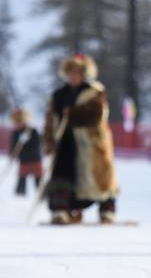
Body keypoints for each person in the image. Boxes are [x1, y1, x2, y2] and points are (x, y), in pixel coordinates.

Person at [43, 54, 118, 224]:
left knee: (100, 177)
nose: (73, 75)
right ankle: (61, 210)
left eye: (77, 72)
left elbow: (97, 115)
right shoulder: (58, 94)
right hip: (65, 142)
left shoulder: (94, 92)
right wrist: (48, 139)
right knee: (63, 175)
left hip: (90, 143)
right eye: (71, 71)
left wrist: (74, 114)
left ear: (84, 73)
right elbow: (50, 119)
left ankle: (107, 210)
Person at [10, 108, 43, 196]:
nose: (18, 124)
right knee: (21, 178)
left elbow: (37, 144)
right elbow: (13, 146)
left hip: (34, 158)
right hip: (23, 160)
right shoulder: (15, 133)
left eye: (20, 121)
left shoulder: (32, 131)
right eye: (17, 122)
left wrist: (26, 142)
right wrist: (12, 154)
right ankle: (20, 196)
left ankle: (41, 196)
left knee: (38, 178)